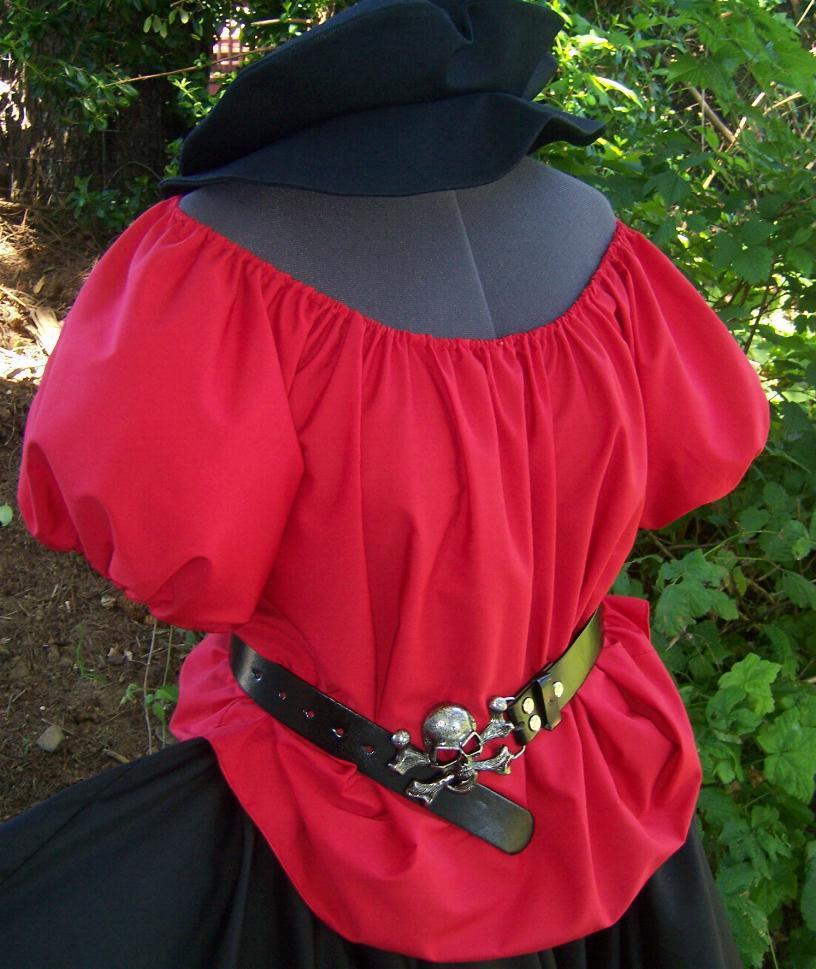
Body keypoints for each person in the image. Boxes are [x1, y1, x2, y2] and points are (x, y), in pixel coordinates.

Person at [1, 0, 769, 966]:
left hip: (331, 832)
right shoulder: (597, 241)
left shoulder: (215, 260)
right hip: (583, 791)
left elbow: (162, 545)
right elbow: (706, 444)